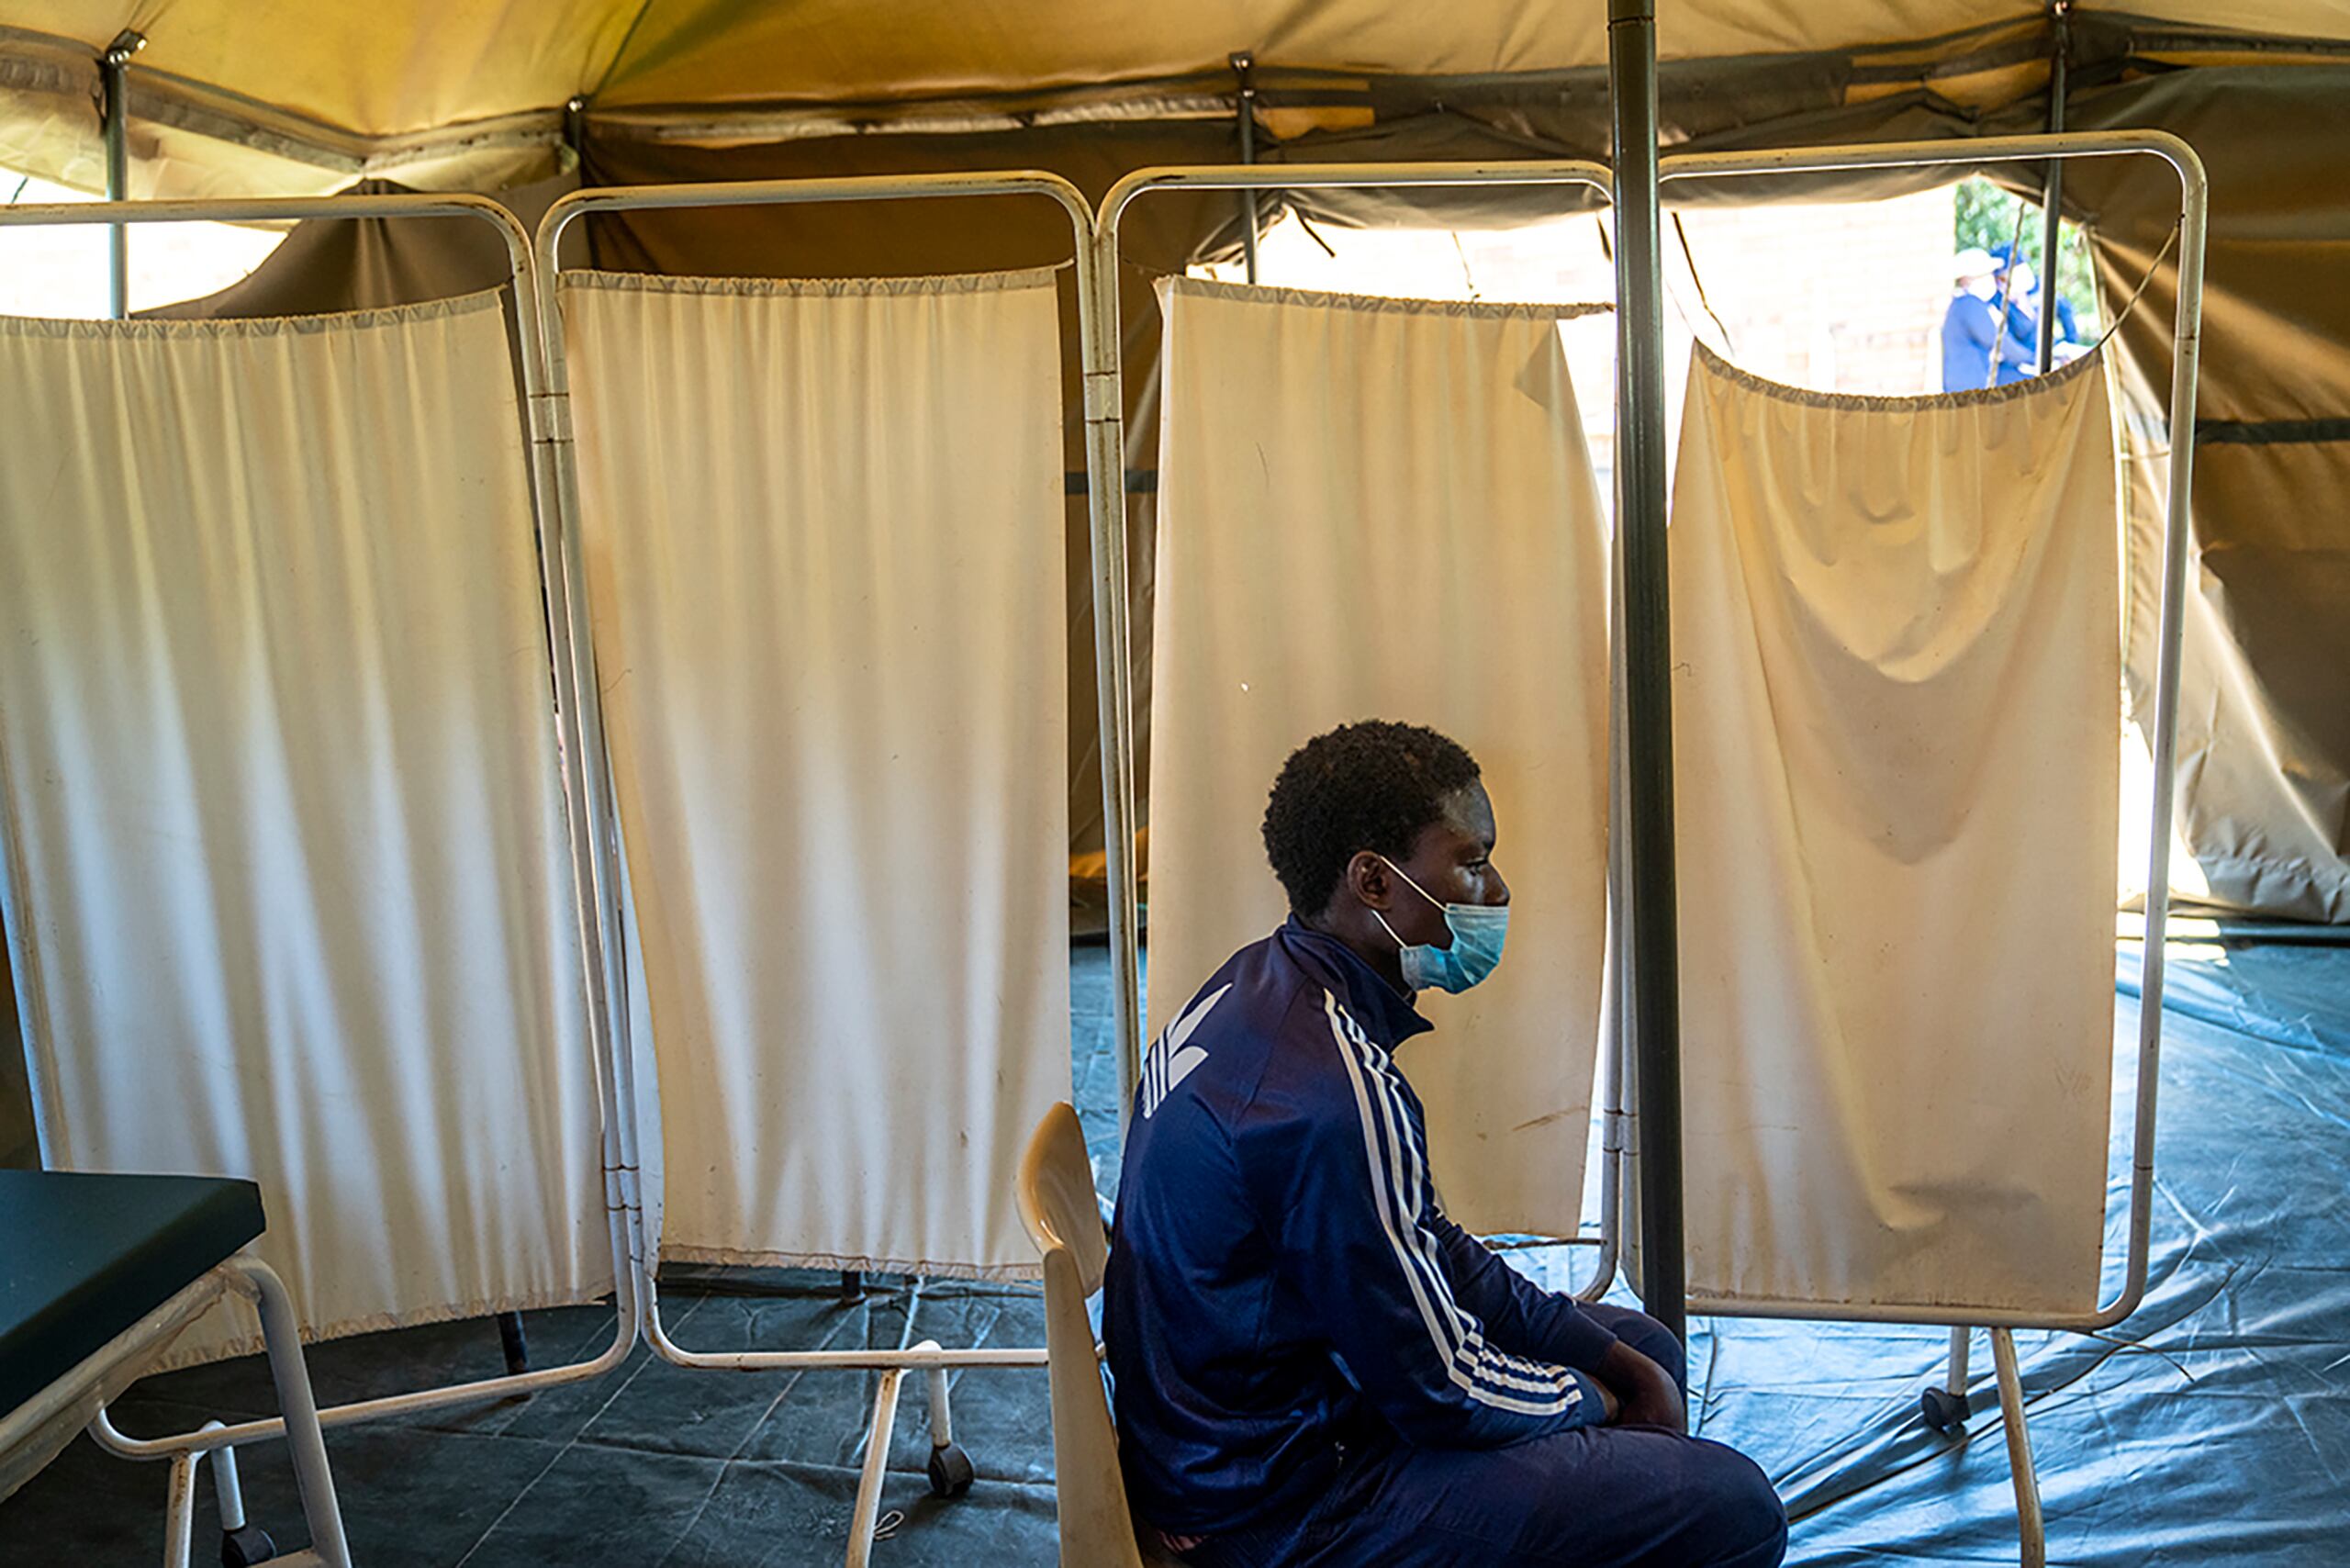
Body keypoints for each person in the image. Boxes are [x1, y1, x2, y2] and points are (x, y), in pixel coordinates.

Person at [1103, 720, 1787, 1568]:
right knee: (1735, 1508)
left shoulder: (1260, 984)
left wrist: (1605, 1362)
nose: (1495, 889)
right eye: (1470, 860)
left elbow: (1427, 1244)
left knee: (1646, 1349)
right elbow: (1437, 1388)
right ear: (1374, 881)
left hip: (1225, 1433)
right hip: (1274, 1511)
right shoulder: (1327, 1094)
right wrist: (1595, 1400)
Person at [1941, 245, 2033, 391]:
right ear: (1967, 279)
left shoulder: (1965, 305)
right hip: (1969, 389)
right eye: (1986, 275)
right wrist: (2034, 360)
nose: (1991, 280)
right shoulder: (1969, 305)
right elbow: (1997, 340)